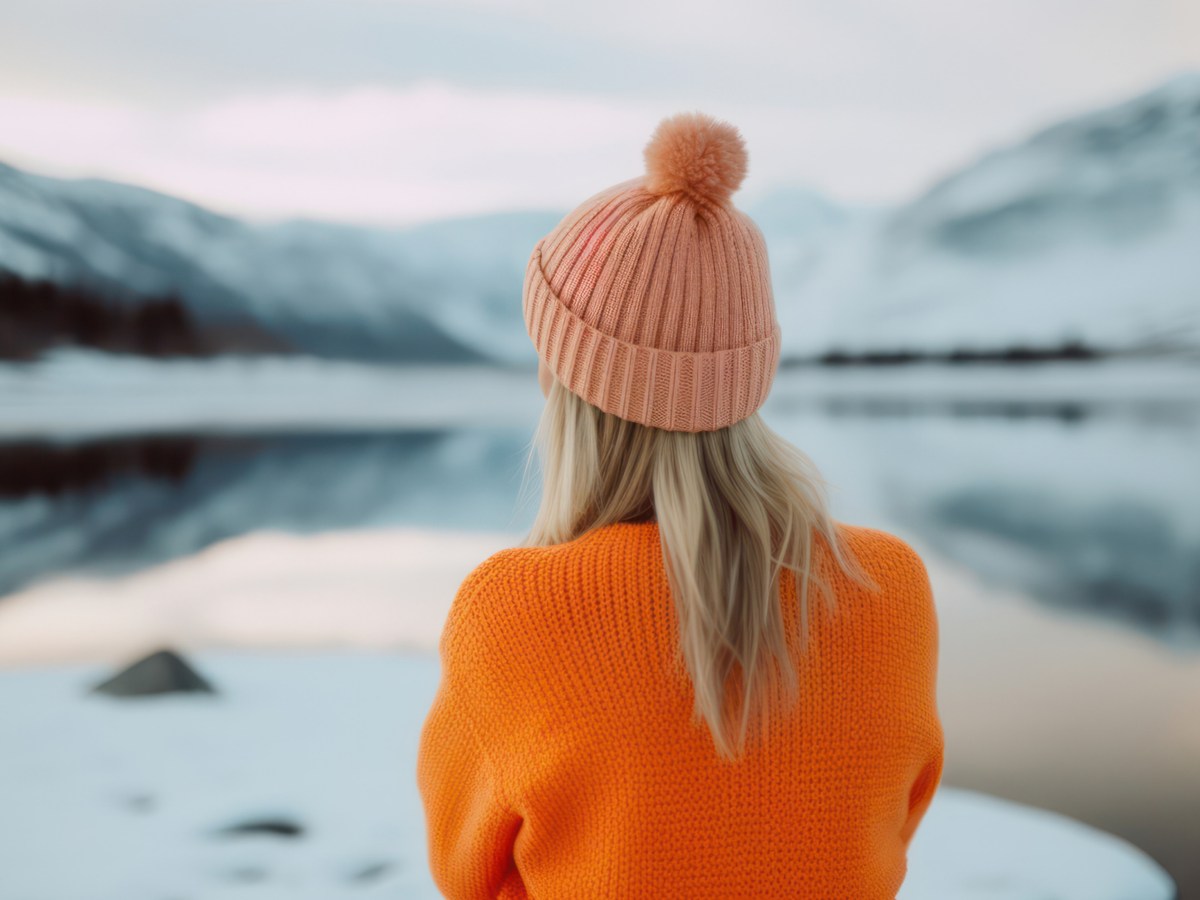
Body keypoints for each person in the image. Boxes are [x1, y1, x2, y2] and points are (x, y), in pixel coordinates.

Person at [417, 110, 944, 898]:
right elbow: (890, 827)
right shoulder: (889, 585)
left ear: (568, 386)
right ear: (745, 378)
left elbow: (466, 875)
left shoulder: (513, 612)